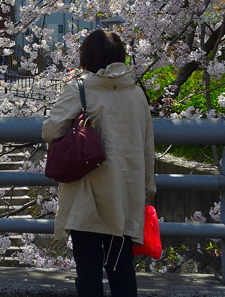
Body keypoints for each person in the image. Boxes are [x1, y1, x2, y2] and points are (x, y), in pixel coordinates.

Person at [42, 29, 156, 297]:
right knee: (121, 269)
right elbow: (147, 143)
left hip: (87, 196)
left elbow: (50, 132)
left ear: (88, 56)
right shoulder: (136, 93)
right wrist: (147, 185)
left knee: (89, 273)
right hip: (124, 193)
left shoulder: (80, 89)